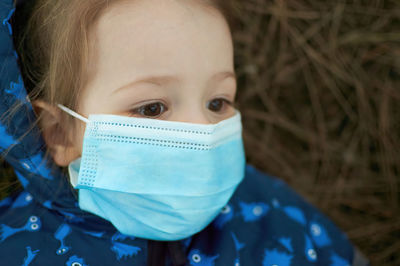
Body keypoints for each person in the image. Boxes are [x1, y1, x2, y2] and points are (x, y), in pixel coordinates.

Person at [0, 0, 369, 265]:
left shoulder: (270, 210)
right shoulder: (13, 248)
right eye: (152, 108)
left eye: (217, 102)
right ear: (60, 132)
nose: (203, 133)